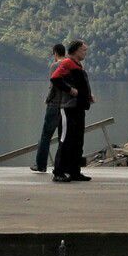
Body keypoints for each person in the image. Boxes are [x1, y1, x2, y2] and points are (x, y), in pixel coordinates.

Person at [50, 40, 94, 182]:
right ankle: (58, 172)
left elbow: (80, 84)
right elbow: (55, 78)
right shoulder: (67, 63)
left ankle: (74, 170)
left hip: (79, 107)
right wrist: (70, 90)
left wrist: (87, 95)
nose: (85, 52)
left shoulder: (78, 65)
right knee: (66, 139)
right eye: (83, 50)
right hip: (68, 108)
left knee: (77, 140)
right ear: (75, 51)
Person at [32, 42, 67, 173]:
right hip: (66, 106)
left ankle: (40, 165)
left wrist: (48, 99)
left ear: (55, 53)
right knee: (62, 137)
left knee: (46, 136)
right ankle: (61, 165)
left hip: (54, 105)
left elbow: (54, 84)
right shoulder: (70, 65)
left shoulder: (55, 65)